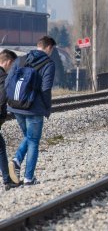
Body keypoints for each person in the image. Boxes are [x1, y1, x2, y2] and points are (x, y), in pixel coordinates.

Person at [6, 36, 56, 186]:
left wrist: (10, 102)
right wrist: (47, 107)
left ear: (37, 45)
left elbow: (8, 82)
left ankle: (16, 162)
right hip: (34, 109)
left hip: (15, 106)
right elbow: (46, 89)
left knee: (28, 137)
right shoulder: (49, 63)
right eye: (51, 50)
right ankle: (27, 177)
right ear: (49, 48)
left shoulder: (20, 59)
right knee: (33, 140)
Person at [0, 49, 19, 190]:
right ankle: (7, 181)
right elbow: (1, 100)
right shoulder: (3, 79)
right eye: (12, 66)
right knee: (0, 148)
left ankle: (7, 180)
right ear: (8, 62)